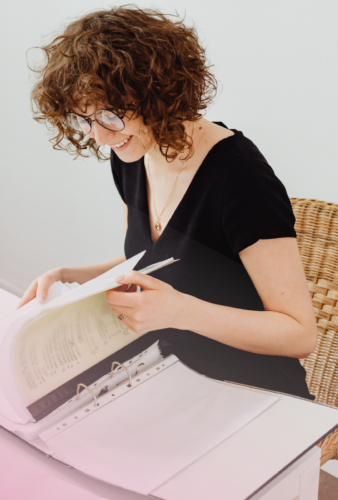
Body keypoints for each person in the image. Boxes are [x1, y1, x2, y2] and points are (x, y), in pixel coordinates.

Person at [17, 6, 317, 399]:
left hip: (250, 388)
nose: (100, 137)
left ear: (156, 93)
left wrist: (182, 311)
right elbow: (154, 258)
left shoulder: (240, 177)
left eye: (110, 114)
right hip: (170, 368)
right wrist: (71, 275)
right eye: (85, 119)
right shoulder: (132, 154)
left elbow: (299, 334)